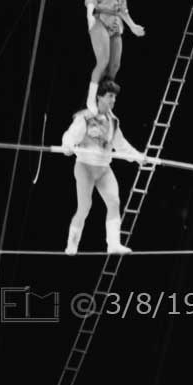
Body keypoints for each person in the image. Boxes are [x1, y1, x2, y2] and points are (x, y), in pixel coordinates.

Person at [61, 79, 145, 254]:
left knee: (114, 202)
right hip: (85, 167)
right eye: (110, 96)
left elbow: (121, 146)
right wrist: (67, 146)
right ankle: (72, 243)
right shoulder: (85, 117)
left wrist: (138, 157)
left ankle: (113, 244)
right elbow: (70, 136)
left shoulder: (114, 121)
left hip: (103, 169)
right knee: (84, 207)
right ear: (99, 97)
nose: (114, 100)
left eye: (114, 97)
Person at [84, 0, 145, 113]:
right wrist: (89, 16)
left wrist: (132, 26)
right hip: (100, 20)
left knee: (114, 66)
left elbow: (122, 9)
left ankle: (105, 99)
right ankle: (91, 99)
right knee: (103, 61)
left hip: (115, 23)